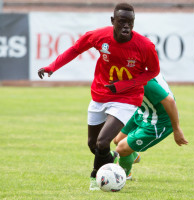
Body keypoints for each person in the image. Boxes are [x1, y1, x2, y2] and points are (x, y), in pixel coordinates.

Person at [37, 3, 160, 190]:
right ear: (113, 21)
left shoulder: (144, 46)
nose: (126, 26)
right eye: (122, 21)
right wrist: (52, 67)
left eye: (130, 22)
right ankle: (121, 160)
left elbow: (153, 71)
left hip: (127, 98)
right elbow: (76, 49)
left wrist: (123, 86)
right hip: (99, 95)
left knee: (103, 141)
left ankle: (96, 178)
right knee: (94, 145)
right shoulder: (99, 36)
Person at [113, 73, 188, 180]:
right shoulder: (138, 69)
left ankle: (124, 175)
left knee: (121, 148)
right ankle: (132, 156)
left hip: (159, 121)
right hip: (144, 111)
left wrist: (176, 129)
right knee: (117, 139)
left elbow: (170, 101)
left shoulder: (144, 81)